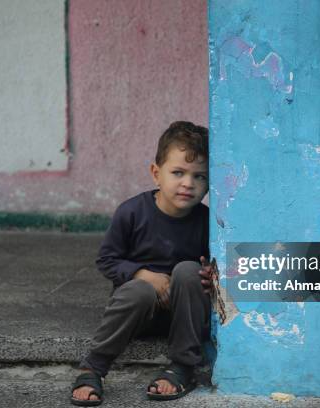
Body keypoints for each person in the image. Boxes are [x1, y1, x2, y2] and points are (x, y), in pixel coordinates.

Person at [70, 121, 213, 406]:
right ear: (156, 173)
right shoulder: (132, 213)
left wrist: (209, 276)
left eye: (200, 177)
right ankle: (93, 366)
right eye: (178, 173)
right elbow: (107, 260)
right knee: (139, 290)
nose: (188, 183)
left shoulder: (207, 222)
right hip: (139, 316)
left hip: (183, 316)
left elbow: (213, 271)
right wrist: (143, 274)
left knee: (188, 270)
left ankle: (183, 367)